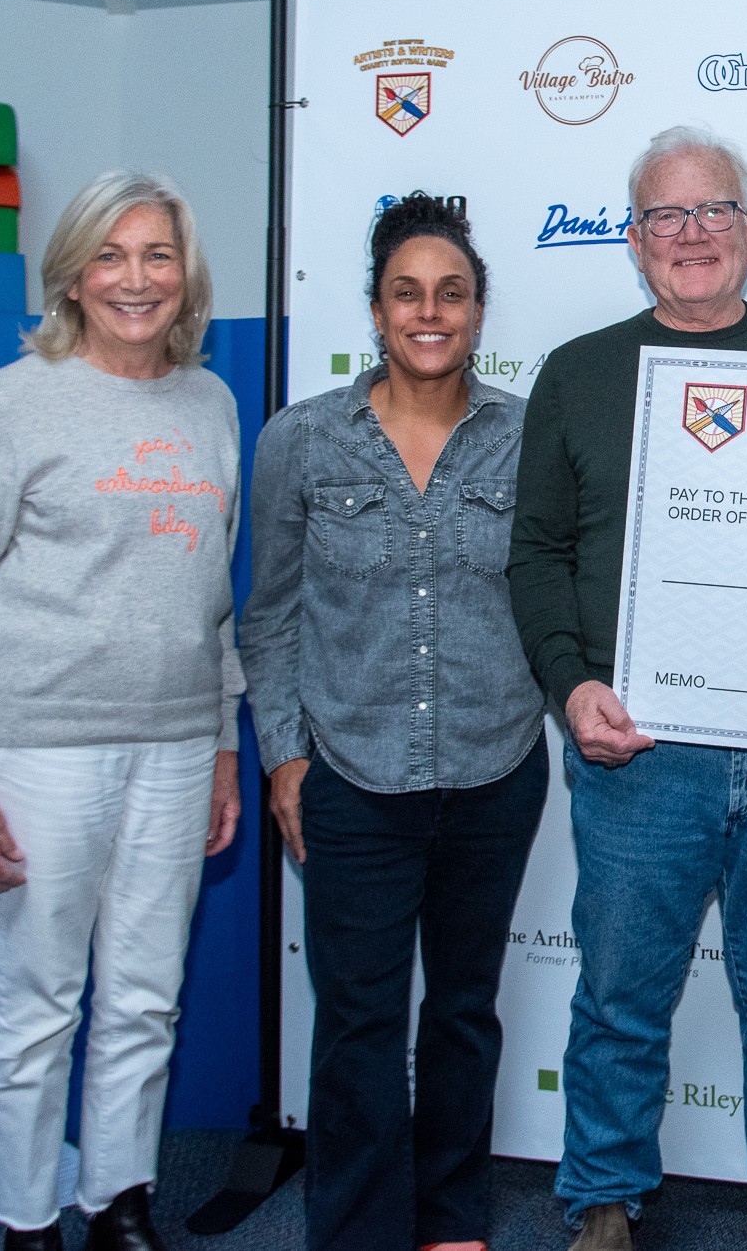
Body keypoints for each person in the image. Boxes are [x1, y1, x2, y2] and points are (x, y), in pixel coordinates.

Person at [508, 125, 747, 1251]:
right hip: (636, 746)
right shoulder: (578, 370)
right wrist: (571, 690)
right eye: (666, 215)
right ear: (634, 240)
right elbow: (535, 556)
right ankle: (602, 1202)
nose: (691, 233)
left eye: (714, 212)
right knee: (618, 1001)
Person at [0, 172, 242, 1251]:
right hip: (39, 750)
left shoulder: (211, 402)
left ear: (184, 274)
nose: (135, 279)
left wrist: (226, 742)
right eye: (111, 255)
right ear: (73, 274)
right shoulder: (15, 401)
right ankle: (26, 1219)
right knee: (40, 1002)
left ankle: (118, 1201)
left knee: (146, 998)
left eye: (156, 255)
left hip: (180, 746)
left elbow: (211, 600)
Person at [240, 195, 549, 1251]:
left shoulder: (525, 438)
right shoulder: (303, 440)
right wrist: (284, 755)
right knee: (360, 1024)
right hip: (352, 778)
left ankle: (451, 1216)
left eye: (451, 293)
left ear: (477, 311)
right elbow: (268, 618)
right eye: (407, 292)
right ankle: (362, 1229)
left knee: (463, 1010)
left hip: (493, 770)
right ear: (376, 311)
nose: (430, 312)